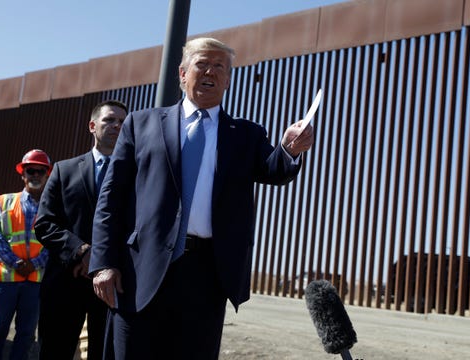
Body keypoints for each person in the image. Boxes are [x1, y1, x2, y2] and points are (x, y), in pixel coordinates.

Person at [89, 37, 314, 359]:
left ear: (228, 80)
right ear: (182, 74)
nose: (210, 71)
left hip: (208, 274)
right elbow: (110, 198)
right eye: (202, 64)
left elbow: (273, 171)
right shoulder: (142, 123)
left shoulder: (245, 134)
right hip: (141, 269)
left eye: (219, 66)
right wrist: (104, 263)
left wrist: (290, 149)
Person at [34, 100, 128, 359]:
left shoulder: (136, 175)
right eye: (110, 120)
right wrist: (81, 252)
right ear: (92, 125)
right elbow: (44, 224)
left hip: (112, 287)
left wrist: (102, 261)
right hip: (65, 283)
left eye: (122, 122)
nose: (117, 126)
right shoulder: (64, 170)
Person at [0, 149, 52, 360]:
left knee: (26, 335)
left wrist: (34, 264)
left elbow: (55, 242)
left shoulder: (53, 207)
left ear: (47, 175)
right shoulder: (6, 202)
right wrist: (17, 263)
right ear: (23, 174)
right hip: (6, 281)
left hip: (35, 283)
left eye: (40, 171)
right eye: (30, 171)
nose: (35, 175)